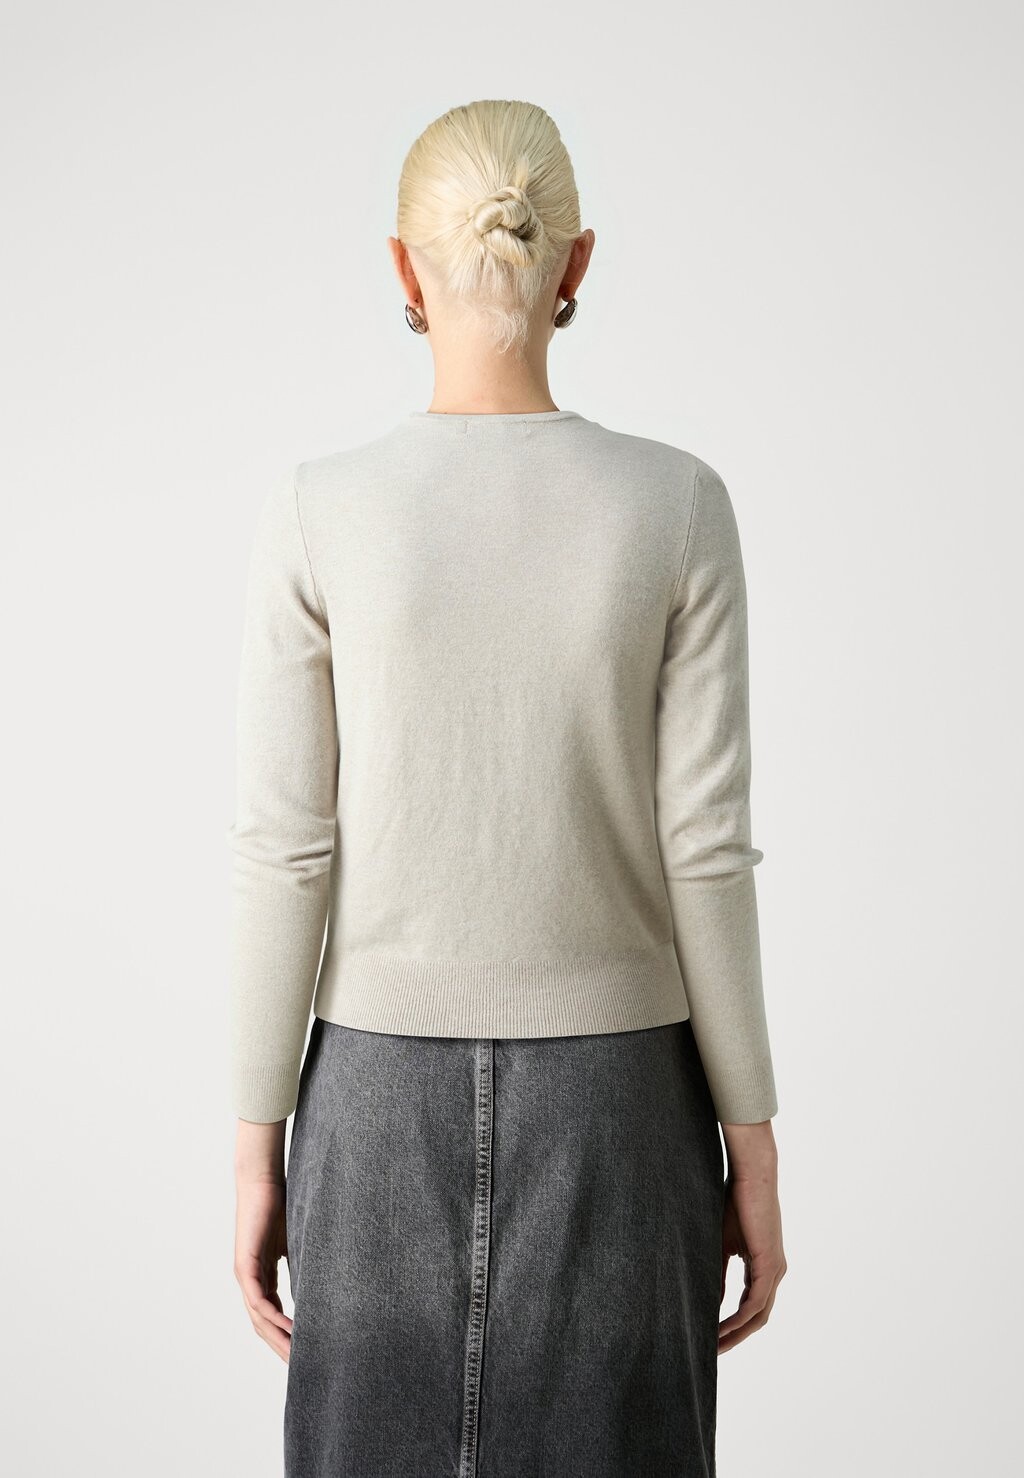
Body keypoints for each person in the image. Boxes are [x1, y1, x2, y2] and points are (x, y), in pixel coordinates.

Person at [228, 97, 786, 1478]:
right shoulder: (678, 505)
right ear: (576, 262)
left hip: (370, 1102)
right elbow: (706, 849)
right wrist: (755, 1146)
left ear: (403, 269)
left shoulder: (318, 508)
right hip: (626, 1100)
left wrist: (256, 1143)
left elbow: (285, 848)